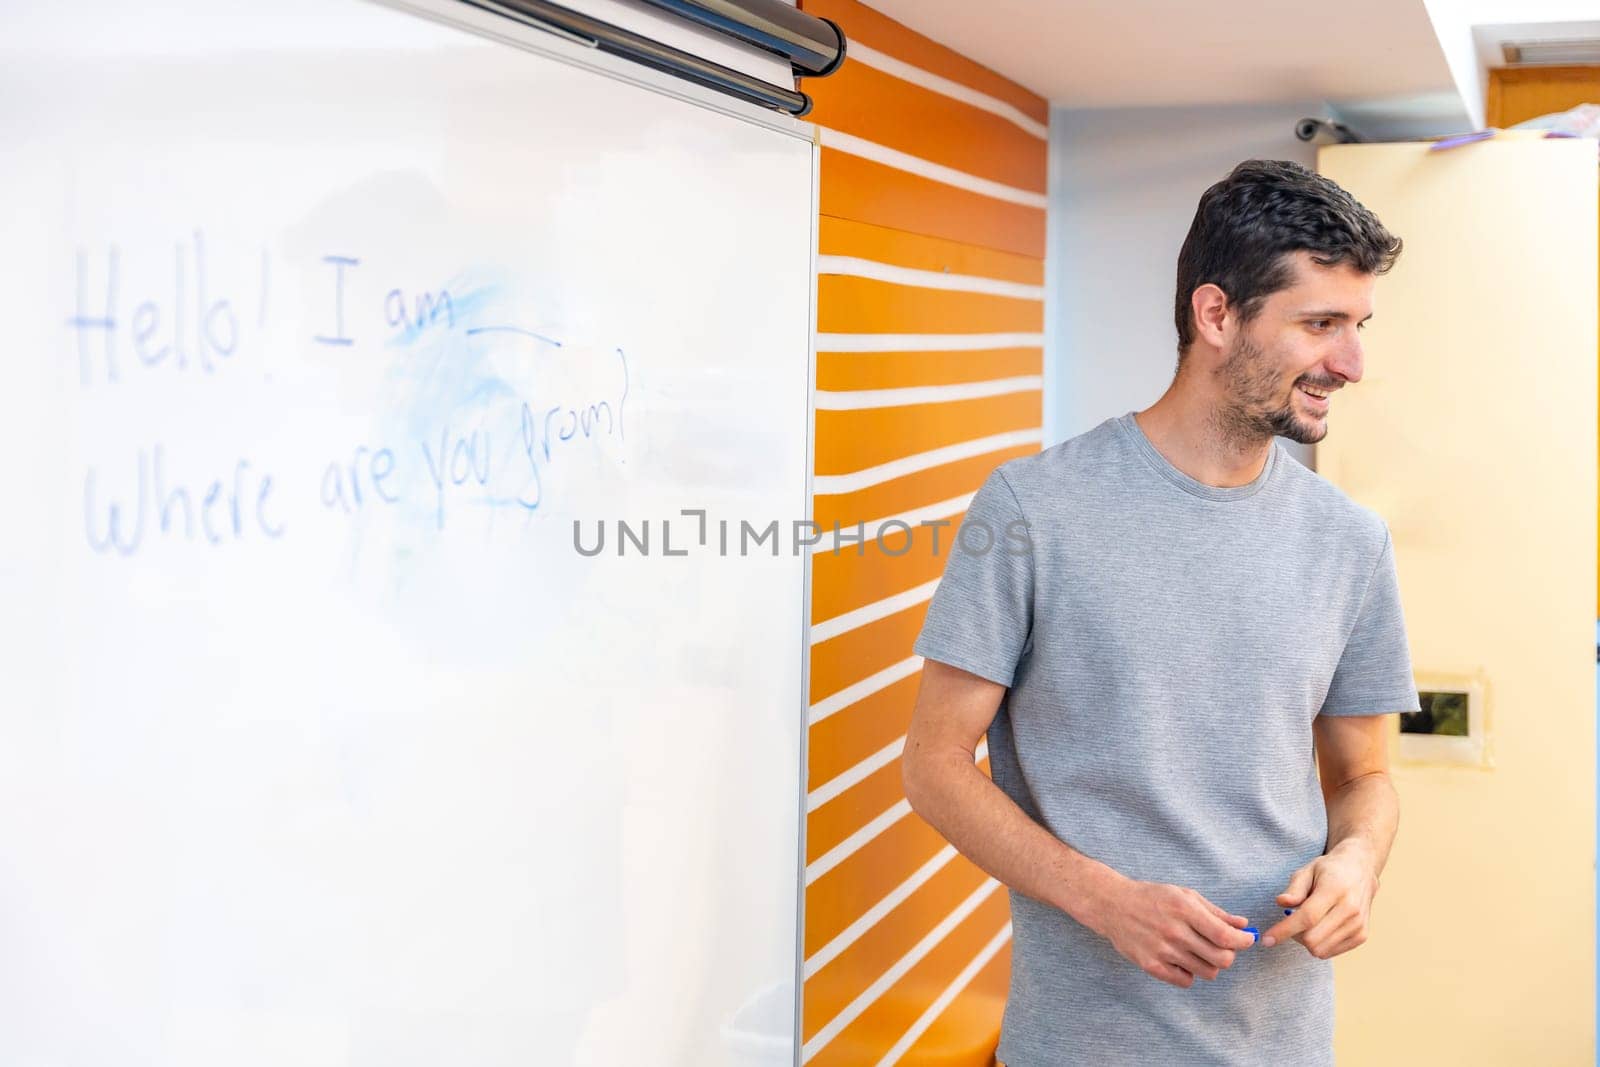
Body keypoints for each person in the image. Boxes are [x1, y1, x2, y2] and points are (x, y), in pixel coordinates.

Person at [902, 159, 1420, 1065]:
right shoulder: (1034, 508)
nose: (1352, 362)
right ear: (1216, 315)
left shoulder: (1352, 542)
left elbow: (1364, 777)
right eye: (1320, 324)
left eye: (1358, 326)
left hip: (1284, 1042)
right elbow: (935, 767)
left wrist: (1357, 863)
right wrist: (1105, 899)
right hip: (1082, 1042)